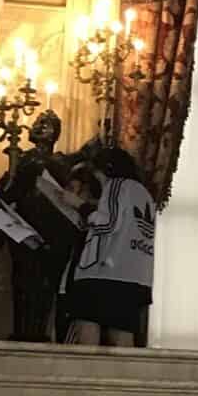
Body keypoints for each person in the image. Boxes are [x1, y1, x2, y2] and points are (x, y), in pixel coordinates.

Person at [0, 109, 79, 342]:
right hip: (25, 234)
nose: (38, 126)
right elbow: (5, 192)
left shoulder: (61, 163)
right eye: (37, 122)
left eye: (46, 124)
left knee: (46, 289)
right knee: (22, 285)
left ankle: (39, 332)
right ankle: (21, 331)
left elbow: (70, 196)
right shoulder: (22, 160)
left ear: (56, 133)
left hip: (52, 236)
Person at [60, 142, 157, 348]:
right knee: (122, 334)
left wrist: (78, 204)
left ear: (107, 170)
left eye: (97, 174)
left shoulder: (116, 185)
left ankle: (86, 370)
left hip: (104, 274)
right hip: (136, 276)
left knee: (86, 325)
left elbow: (108, 224)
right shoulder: (144, 193)